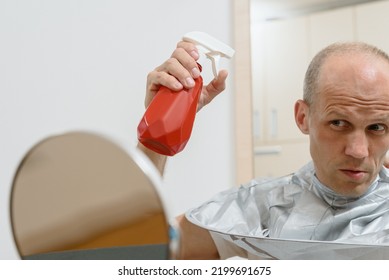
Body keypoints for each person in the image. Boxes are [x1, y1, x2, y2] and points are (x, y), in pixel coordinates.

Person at [137, 40, 389, 259]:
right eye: (338, 123)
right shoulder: (258, 208)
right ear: (302, 117)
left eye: (377, 127)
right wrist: (158, 131)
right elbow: (136, 253)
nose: (358, 151)